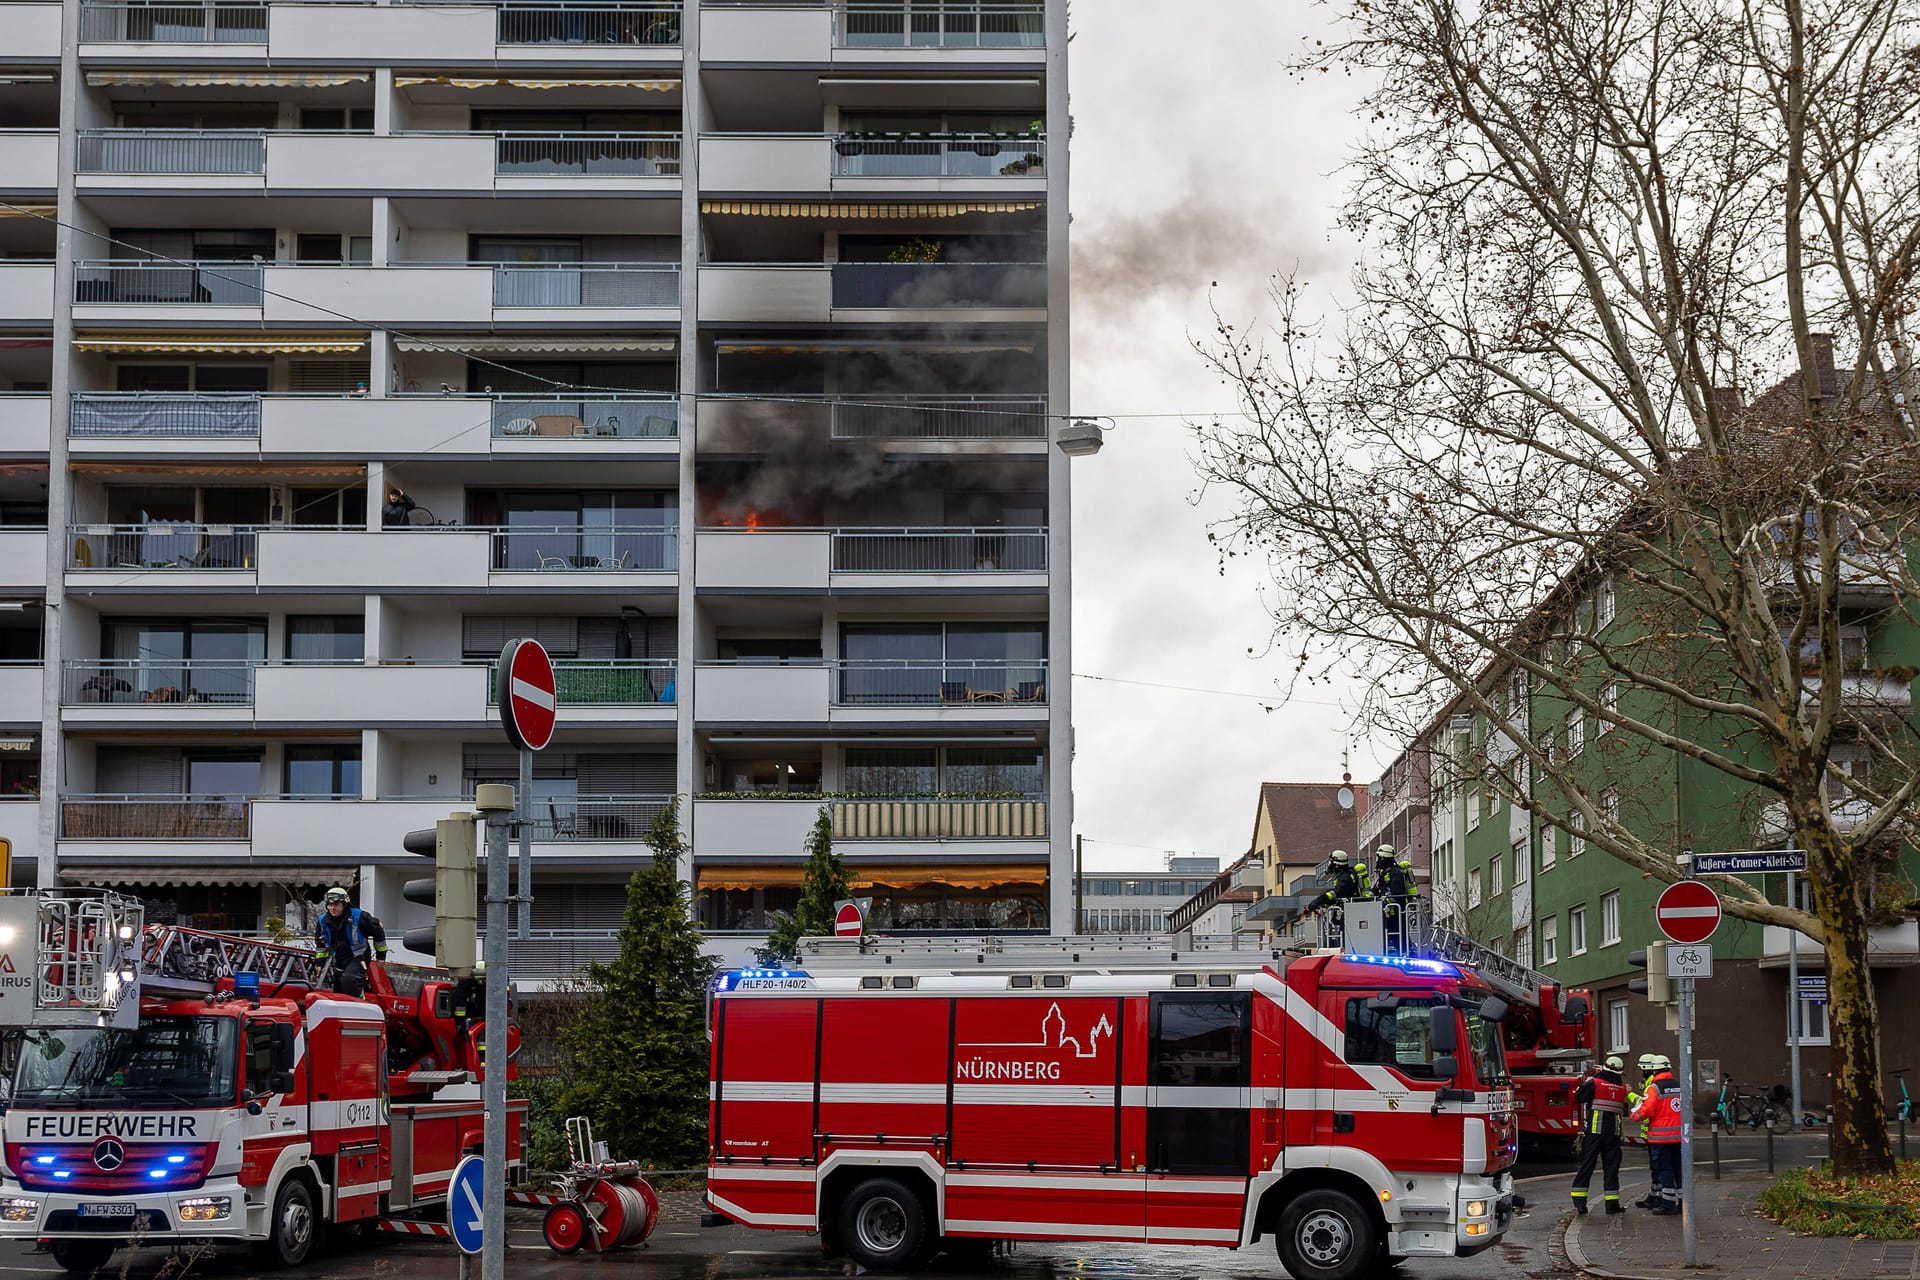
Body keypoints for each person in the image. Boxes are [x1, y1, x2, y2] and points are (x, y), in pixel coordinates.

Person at [1569, 1055, 1629, 1214]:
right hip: (1613, 1134)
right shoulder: (1623, 1088)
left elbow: (1578, 1097)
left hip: (1595, 1131)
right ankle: (1612, 1205)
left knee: (1587, 1165)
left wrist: (1590, 1079)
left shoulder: (1595, 1083)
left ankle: (1580, 1202)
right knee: (1611, 1168)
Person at [1632, 1055, 1683, 1215]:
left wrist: (1635, 1115)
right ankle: (1681, 1201)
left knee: (1664, 1169)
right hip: (1679, 1137)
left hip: (1660, 1138)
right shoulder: (1679, 1086)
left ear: (1654, 1070)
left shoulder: (1655, 1088)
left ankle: (1667, 1204)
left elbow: (1647, 1109)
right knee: (1678, 1169)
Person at [313, 886, 387, 998]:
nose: (333, 908)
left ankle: (359, 1004)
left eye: (336, 905)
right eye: (330, 905)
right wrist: (319, 964)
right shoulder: (323, 921)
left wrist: (381, 956)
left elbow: (378, 931)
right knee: (339, 989)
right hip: (339, 957)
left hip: (359, 956)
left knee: (350, 979)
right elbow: (321, 945)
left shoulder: (359, 916)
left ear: (345, 904)